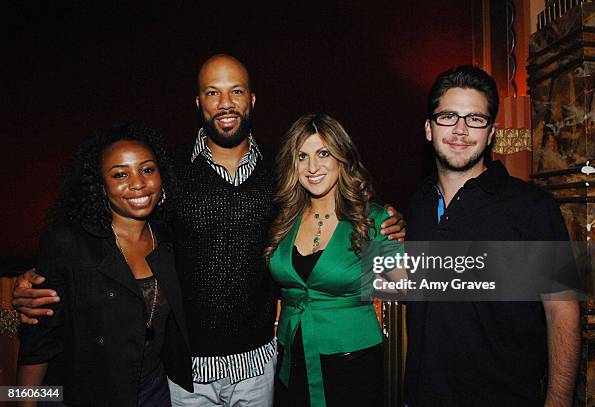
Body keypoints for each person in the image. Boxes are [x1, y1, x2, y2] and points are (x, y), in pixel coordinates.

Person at [13, 55, 406, 407]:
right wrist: (38, 281)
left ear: (252, 100)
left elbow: (404, 279)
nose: (225, 103)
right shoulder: (169, 170)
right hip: (182, 374)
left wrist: (385, 223)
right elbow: (48, 327)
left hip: (273, 367)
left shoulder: (280, 173)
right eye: (212, 93)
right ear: (198, 103)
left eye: (236, 91)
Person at [403, 66, 580, 407]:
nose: (460, 129)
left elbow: (563, 314)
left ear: (491, 132)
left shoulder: (532, 207)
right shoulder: (419, 204)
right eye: (448, 116)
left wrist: (558, 402)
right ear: (429, 128)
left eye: (475, 119)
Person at [17, 123, 192, 406]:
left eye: (147, 169)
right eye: (120, 174)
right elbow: (39, 341)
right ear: (100, 186)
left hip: (153, 391)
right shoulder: (69, 242)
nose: (138, 183)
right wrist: (22, 403)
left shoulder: (170, 239)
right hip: (82, 395)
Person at [267, 114, 386, 407]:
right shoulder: (283, 220)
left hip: (352, 364)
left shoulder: (371, 221)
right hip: (290, 360)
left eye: (323, 153)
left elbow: (409, 286)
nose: (312, 167)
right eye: (302, 156)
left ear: (343, 158)